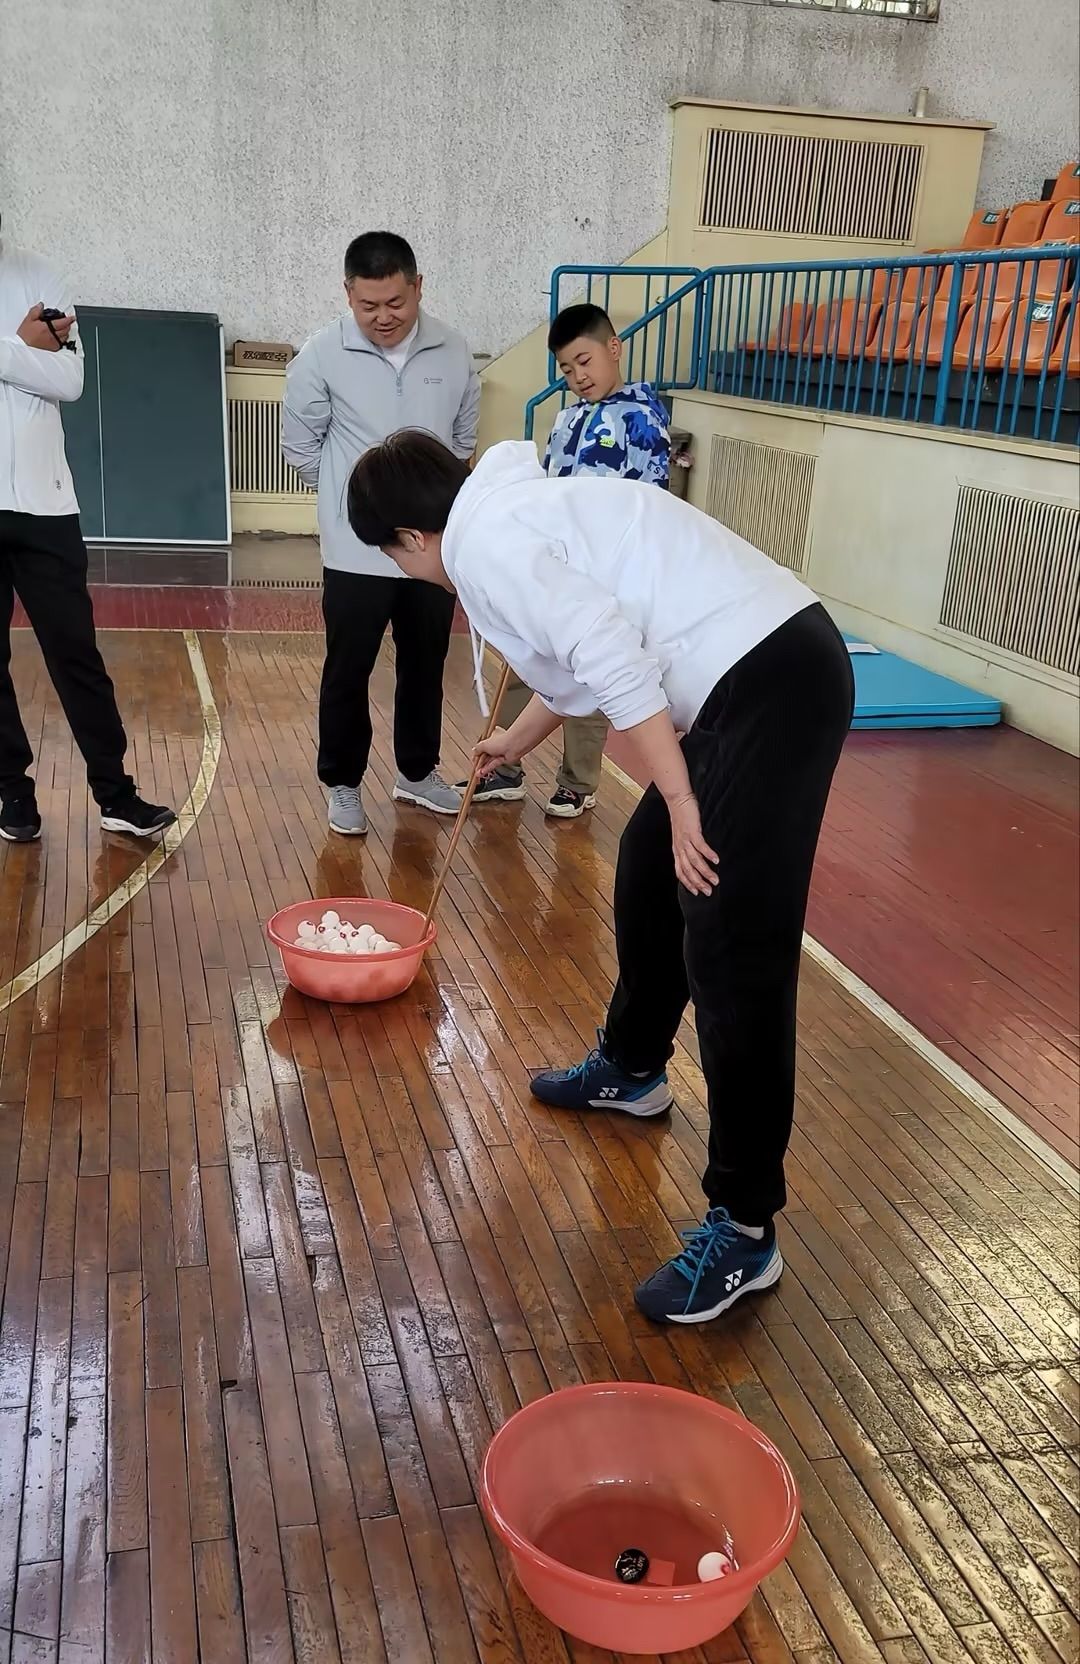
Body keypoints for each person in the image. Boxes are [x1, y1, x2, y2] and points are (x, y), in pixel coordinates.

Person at [345, 431, 854, 1326]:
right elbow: (583, 645)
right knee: (651, 871)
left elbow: (608, 651)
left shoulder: (487, 543)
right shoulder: (505, 513)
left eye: (394, 555)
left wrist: (679, 792)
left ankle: (745, 1228)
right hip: (755, 670)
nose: (405, 570)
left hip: (774, 681)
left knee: (732, 945)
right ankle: (633, 1068)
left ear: (412, 537)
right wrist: (520, 738)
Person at [282, 231, 480, 835]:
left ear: (418, 287)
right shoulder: (320, 354)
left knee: (426, 663)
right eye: (368, 305)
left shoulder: (453, 350)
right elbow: (301, 448)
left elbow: (462, 443)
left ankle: (417, 774)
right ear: (348, 294)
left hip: (435, 550)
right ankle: (343, 783)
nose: (383, 317)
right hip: (355, 551)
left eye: (395, 302)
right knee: (348, 669)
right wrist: (355, 507)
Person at [0, 227, 176, 845]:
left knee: (76, 653)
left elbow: (70, 382)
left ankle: (116, 794)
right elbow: (42, 370)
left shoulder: (38, 273)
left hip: (46, 505)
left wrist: (11, 351)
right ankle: (12, 792)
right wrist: (22, 348)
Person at [469, 302, 670, 819]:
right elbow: (547, 491)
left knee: (588, 676)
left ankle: (577, 782)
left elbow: (651, 503)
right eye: (566, 368)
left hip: (606, 576)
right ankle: (506, 768)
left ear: (613, 349)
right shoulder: (564, 421)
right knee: (526, 661)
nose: (578, 376)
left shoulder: (643, 418)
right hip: (555, 570)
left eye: (585, 361)